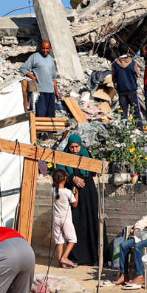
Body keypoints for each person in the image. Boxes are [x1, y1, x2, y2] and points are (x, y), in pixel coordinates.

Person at [57, 134, 100, 265]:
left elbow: (94, 172)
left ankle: (93, 257)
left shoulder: (86, 154)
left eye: (77, 147)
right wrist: (72, 178)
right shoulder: (64, 157)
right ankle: (77, 257)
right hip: (74, 195)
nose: (75, 150)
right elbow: (60, 174)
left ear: (80, 146)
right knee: (76, 223)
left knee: (91, 222)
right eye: (72, 147)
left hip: (89, 194)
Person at [19, 41, 60, 118]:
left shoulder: (51, 59)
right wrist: (33, 77)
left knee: (50, 116)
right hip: (39, 92)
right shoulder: (34, 57)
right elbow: (23, 68)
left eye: (47, 48)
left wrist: (57, 92)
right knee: (40, 115)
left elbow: (54, 78)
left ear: (50, 49)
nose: (45, 50)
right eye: (43, 48)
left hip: (51, 92)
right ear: (41, 48)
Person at [51, 168, 78, 268]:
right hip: (66, 219)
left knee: (59, 240)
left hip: (56, 219)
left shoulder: (52, 190)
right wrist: (77, 194)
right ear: (65, 178)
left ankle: (60, 262)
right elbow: (75, 204)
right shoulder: (67, 192)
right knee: (72, 239)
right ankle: (65, 257)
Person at [111, 49, 141, 123]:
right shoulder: (133, 63)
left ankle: (125, 128)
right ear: (128, 51)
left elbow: (113, 78)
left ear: (119, 51)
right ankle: (139, 127)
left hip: (121, 91)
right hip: (132, 90)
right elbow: (136, 74)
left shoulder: (114, 64)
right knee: (136, 112)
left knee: (123, 113)